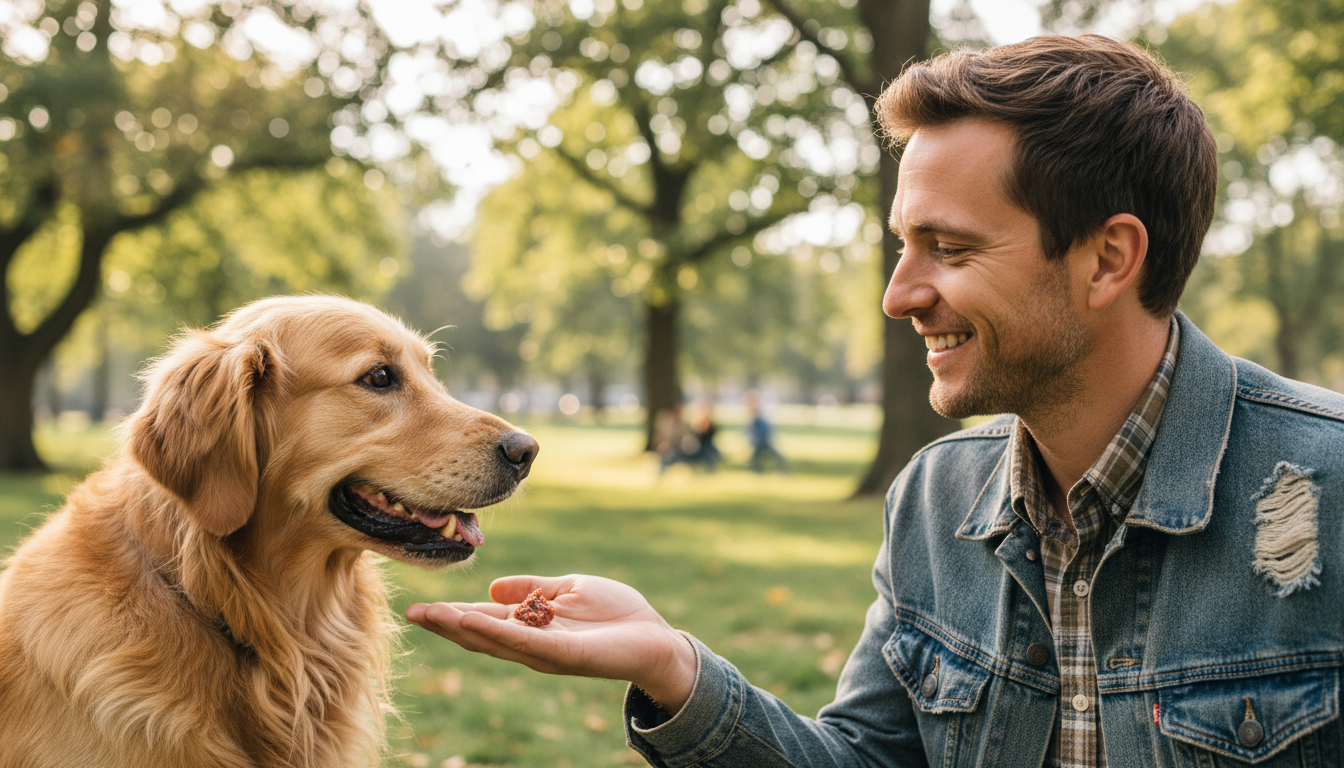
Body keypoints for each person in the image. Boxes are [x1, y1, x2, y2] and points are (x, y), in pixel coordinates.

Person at [406, 35, 1344, 766]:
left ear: (1108, 259)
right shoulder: (937, 503)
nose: (899, 294)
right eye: (903, 244)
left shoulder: (1327, 493)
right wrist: (674, 667)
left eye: (951, 248)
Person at [743, 390, 788, 473]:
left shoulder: (758, 413)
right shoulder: (754, 413)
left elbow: (763, 427)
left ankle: (781, 470)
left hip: (763, 439)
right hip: (760, 440)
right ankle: (759, 471)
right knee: (756, 457)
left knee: (769, 455)